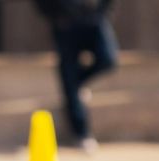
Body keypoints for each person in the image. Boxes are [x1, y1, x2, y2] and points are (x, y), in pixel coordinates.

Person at [34, 0, 118, 151]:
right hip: (65, 23)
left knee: (108, 59)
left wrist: (102, 12)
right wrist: (56, 16)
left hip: (94, 19)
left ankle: (76, 86)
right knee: (69, 72)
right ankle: (82, 134)